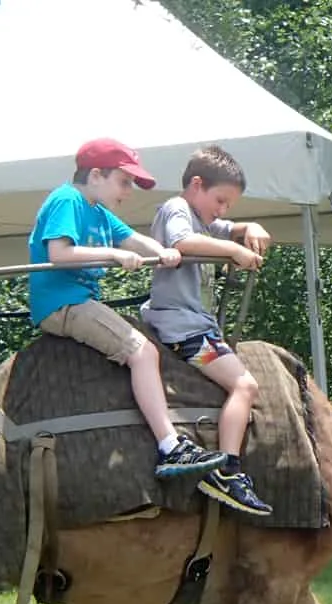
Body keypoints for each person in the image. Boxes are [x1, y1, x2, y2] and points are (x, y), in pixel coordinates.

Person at [28, 138, 227, 479]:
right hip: (63, 304)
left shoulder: (98, 212)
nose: (129, 191)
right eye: (124, 182)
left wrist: (165, 253)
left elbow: (136, 241)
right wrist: (115, 255)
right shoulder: (67, 199)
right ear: (95, 176)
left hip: (79, 301)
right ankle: (170, 446)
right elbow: (58, 254)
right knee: (143, 352)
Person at [141, 145, 273, 515]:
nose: (223, 210)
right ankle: (228, 470)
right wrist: (233, 252)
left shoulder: (205, 220)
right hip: (183, 328)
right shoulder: (177, 210)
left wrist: (252, 227)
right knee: (245, 385)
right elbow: (182, 242)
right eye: (220, 200)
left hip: (196, 324)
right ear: (196, 185)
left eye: (229, 204)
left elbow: (231, 229)